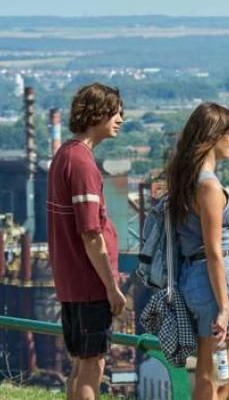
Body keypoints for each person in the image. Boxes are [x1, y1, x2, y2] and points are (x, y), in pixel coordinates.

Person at [47, 83, 126, 400]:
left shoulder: (64, 156)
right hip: (89, 282)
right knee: (93, 365)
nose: (120, 118)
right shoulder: (83, 164)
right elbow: (90, 231)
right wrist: (111, 285)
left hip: (70, 281)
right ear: (98, 113)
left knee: (80, 363)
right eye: (116, 111)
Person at [166, 102, 229, 400]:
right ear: (213, 136)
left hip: (196, 279)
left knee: (210, 371)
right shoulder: (209, 187)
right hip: (214, 280)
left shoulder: (186, 180)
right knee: (223, 378)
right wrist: (225, 307)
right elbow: (213, 251)